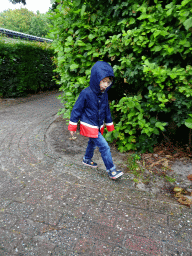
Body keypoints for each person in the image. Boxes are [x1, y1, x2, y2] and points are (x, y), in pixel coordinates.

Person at [68, 61, 123, 180]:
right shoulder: (86, 93)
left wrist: (109, 124)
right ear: (96, 78)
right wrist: (72, 126)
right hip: (89, 124)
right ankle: (111, 170)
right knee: (104, 146)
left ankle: (87, 159)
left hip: (98, 125)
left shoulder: (104, 94)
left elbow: (106, 110)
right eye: (103, 81)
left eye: (108, 82)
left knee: (92, 143)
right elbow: (76, 109)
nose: (106, 85)